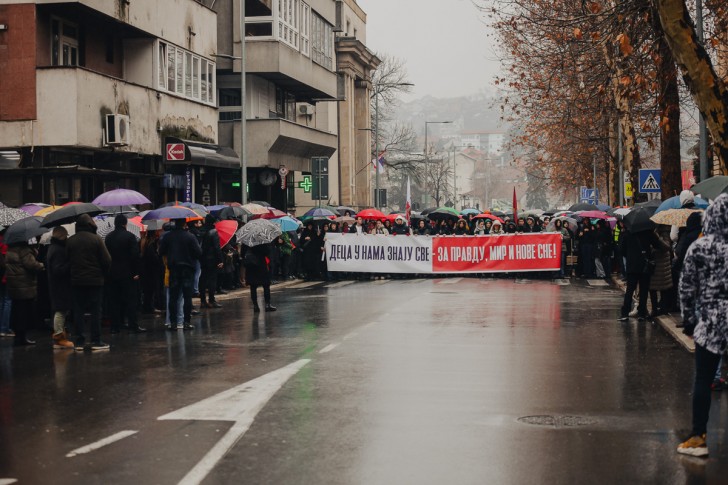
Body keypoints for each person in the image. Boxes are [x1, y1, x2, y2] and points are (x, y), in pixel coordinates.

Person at [676, 193, 728, 457]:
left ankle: (698, 438)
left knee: (704, 380)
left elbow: (686, 287)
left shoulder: (700, 247)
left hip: (710, 322)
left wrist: (689, 320)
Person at [66, 214, 112, 351]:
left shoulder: (70, 240)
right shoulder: (96, 239)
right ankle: (96, 340)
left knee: (78, 311)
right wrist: (103, 273)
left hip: (76, 280)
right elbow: (107, 260)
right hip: (95, 280)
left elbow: (67, 259)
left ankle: (79, 341)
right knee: (95, 310)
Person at [105, 214, 145, 333]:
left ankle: (115, 326)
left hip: (112, 273)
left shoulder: (108, 237)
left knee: (114, 301)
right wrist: (136, 272)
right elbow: (134, 256)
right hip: (127, 273)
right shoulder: (130, 236)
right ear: (125, 223)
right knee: (130, 300)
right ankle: (133, 324)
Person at [159, 218, 202, 331]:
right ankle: (186, 322)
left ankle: (173, 323)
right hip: (187, 269)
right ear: (184, 224)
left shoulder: (168, 236)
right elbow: (198, 253)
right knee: (187, 297)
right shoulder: (190, 236)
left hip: (174, 269)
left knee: (173, 297)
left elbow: (161, 251)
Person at [5, 239, 44, 346]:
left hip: (14, 285)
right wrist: (41, 265)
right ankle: (22, 338)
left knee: (17, 311)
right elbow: (31, 264)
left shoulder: (10, 249)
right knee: (24, 312)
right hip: (24, 285)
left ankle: (18, 336)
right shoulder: (24, 250)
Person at [618, 227, 659, 321]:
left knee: (629, 290)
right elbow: (657, 245)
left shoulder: (628, 233)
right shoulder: (648, 231)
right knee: (644, 290)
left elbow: (622, 250)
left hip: (632, 265)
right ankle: (641, 313)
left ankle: (625, 313)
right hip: (645, 265)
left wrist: (630, 255)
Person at [46, 226, 74, 348]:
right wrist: (69, 264)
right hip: (60, 285)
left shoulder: (52, 248)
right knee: (60, 310)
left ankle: (60, 333)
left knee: (60, 309)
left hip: (56, 284)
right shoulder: (58, 250)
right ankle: (58, 336)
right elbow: (58, 270)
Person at [648, 225, 673, 318]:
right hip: (654, 264)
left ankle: (663, 309)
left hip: (662, 265)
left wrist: (658, 238)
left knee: (664, 288)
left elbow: (667, 247)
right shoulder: (653, 231)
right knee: (652, 288)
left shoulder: (665, 232)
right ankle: (654, 309)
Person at [199, 214, 223, 308]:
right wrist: (220, 260)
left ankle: (202, 301)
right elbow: (217, 247)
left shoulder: (200, 231)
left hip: (202, 258)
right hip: (212, 259)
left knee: (203, 279)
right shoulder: (213, 232)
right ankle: (212, 300)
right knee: (212, 279)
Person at [244, 243, 276, 312]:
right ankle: (267, 305)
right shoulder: (261, 241)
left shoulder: (246, 241)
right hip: (261, 265)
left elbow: (242, 254)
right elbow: (267, 252)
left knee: (253, 286)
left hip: (251, 266)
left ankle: (255, 306)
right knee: (266, 285)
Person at [0, 229, 13, 338]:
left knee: (1, 301)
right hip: (5, 276)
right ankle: (4, 328)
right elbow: (6, 261)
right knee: (7, 301)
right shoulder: (5, 242)